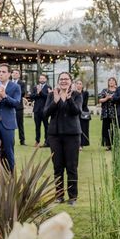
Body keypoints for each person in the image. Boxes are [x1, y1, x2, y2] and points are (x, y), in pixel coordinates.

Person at [44, 72, 82, 205]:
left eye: (66, 79)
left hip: (72, 135)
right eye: (61, 79)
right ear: (58, 81)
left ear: (71, 81)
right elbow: (45, 113)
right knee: (58, 167)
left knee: (71, 167)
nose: (64, 81)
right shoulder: (51, 94)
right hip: (55, 135)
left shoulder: (77, 95)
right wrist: (55, 101)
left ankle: (72, 197)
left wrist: (69, 99)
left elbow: (77, 111)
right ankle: (59, 196)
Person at [29, 73, 50, 147]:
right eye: (40, 78)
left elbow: (48, 97)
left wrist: (41, 92)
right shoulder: (35, 87)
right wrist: (37, 93)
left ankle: (47, 141)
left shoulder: (48, 87)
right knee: (37, 127)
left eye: (43, 78)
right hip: (37, 110)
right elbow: (31, 96)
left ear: (46, 79)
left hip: (45, 110)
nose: (42, 80)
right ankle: (37, 141)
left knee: (46, 126)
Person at [98, 77, 118, 150]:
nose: (111, 82)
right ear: (108, 82)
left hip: (115, 113)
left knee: (114, 129)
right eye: (110, 81)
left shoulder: (118, 90)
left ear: (115, 82)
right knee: (106, 129)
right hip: (106, 113)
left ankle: (115, 144)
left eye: (113, 81)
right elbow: (100, 100)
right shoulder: (105, 90)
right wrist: (106, 98)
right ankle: (108, 145)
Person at [11, 68, 26, 145]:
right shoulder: (9, 82)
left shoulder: (22, 83)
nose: (14, 74)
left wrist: (14, 91)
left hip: (19, 107)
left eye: (16, 73)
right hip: (10, 106)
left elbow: (23, 93)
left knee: (20, 124)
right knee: (10, 124)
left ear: (19, 75)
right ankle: (11, 140)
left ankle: (22, 140)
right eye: (13, 73)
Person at [74, 79, 90, 149]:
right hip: (75, 112)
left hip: (84, 112)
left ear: (82, 85)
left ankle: (82, 144)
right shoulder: (73, 93)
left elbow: (84, 103)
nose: (79, 85)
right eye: (77, 83)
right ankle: (77, 143)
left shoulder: (85, 93)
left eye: (80, 84)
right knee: (77, 128)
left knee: (84, 128)